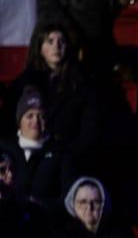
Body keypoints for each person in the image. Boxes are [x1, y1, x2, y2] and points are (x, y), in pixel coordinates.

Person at [4, 24, 103, 173]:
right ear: (40, 48)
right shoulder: (23, 84)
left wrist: (66, 157)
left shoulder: (82, 84)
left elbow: (90, 131)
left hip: (68, 159)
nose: (56, 46)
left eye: (61, 42)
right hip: (27, 158)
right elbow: (8, 124)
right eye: (50, 41)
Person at [0, 86, 73, 215]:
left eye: (41, 116)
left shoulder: (60, 152)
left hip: (47, 225)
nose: (36, 121)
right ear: (19, 120)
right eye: (29, 116)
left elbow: (68, 199)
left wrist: (40, 205)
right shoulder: (5, 147)